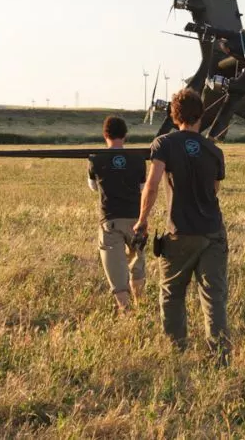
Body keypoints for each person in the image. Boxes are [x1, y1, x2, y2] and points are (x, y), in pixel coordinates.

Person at [134, 89, 229, 361]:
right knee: (213, 297)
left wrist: (142, 220)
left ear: (174, 116)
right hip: (213, 232)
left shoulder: (164, 144)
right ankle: (220, 356)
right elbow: (215, 190)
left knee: (172, 294)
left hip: (180, 233)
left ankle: (177, 352)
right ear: (201, 116)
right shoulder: (214, 150)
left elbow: (152, 185)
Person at [88, 116, 147, 313]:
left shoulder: (95, 158)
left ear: (105, 135)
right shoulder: (138, 159)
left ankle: (126, 311)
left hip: (110, 219)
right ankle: (140, 305)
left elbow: (93, 187)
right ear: (125, 135)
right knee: (137, 263)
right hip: (136, 219)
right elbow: (142, 188)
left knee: (115, 269)